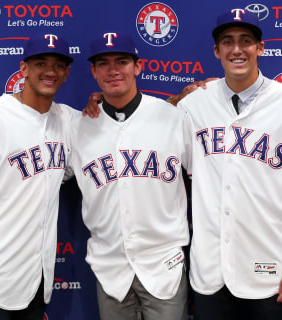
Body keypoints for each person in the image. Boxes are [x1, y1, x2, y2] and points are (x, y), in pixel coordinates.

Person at [169, 9, 282, 320]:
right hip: (210, 274)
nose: (237, 49)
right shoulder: (193, 105)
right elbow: (144, 133)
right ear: (216, 51)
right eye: (227, 42)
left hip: (271, 274)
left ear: (260, 47)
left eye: (246, 41)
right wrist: (104, 104)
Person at [66, 31, 191, 320]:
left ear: (137, 66)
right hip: (109, 267)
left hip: (163, 264)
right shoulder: (76, 126)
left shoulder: (174, 116)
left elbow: (207, 174)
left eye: (121, 61)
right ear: (93, 72)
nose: (113, 70)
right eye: (103, 63)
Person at [0, 33, 77, 319]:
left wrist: (177, 100)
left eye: (58, 65)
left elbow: (119, 124)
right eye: (40, 63)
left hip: (39, 277)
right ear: (24, 69)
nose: (50, 71)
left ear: (67, 73)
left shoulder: (68, 119)